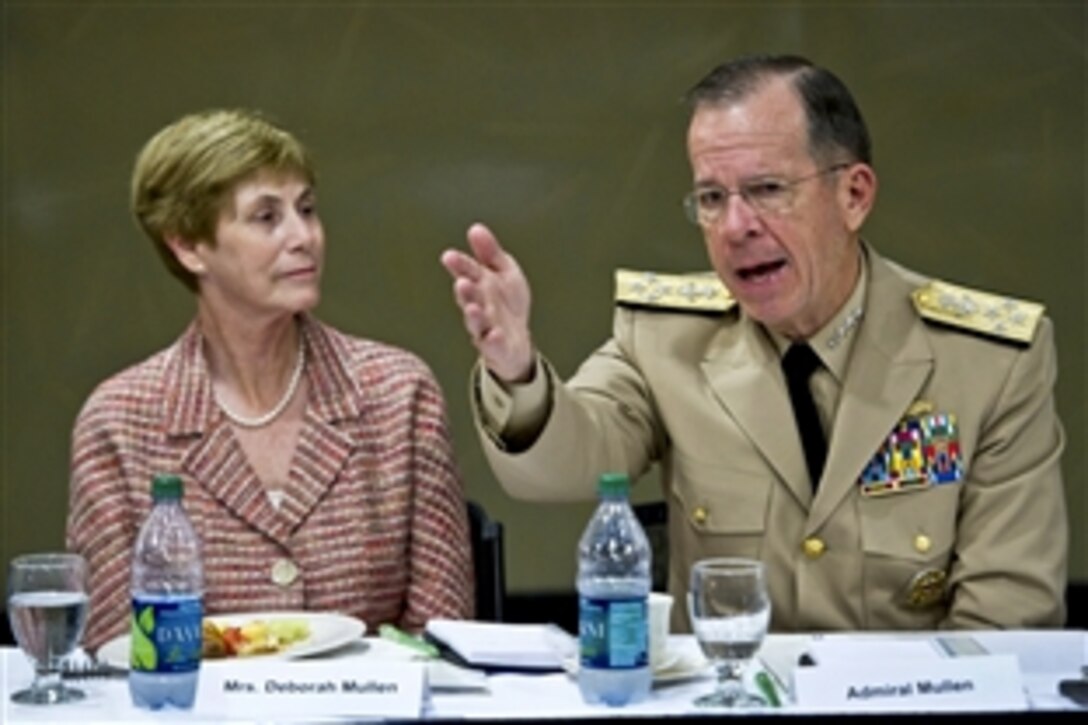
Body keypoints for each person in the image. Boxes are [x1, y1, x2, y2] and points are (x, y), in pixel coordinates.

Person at [441, 54, 1068, 632]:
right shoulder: (666, 338)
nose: (737, 226)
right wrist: (516, 369)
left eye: (768, 190)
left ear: (853, 195)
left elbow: (1010, 619)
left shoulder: (991, 361)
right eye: (713, 198)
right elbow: (563, 467)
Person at [68, 109, 473, 652]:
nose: (303, 236)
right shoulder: (119, 421)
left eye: (307, 209)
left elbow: (440, 637)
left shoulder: (398, 393)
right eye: (266, 217)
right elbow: (116, 650)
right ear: (187, 246)